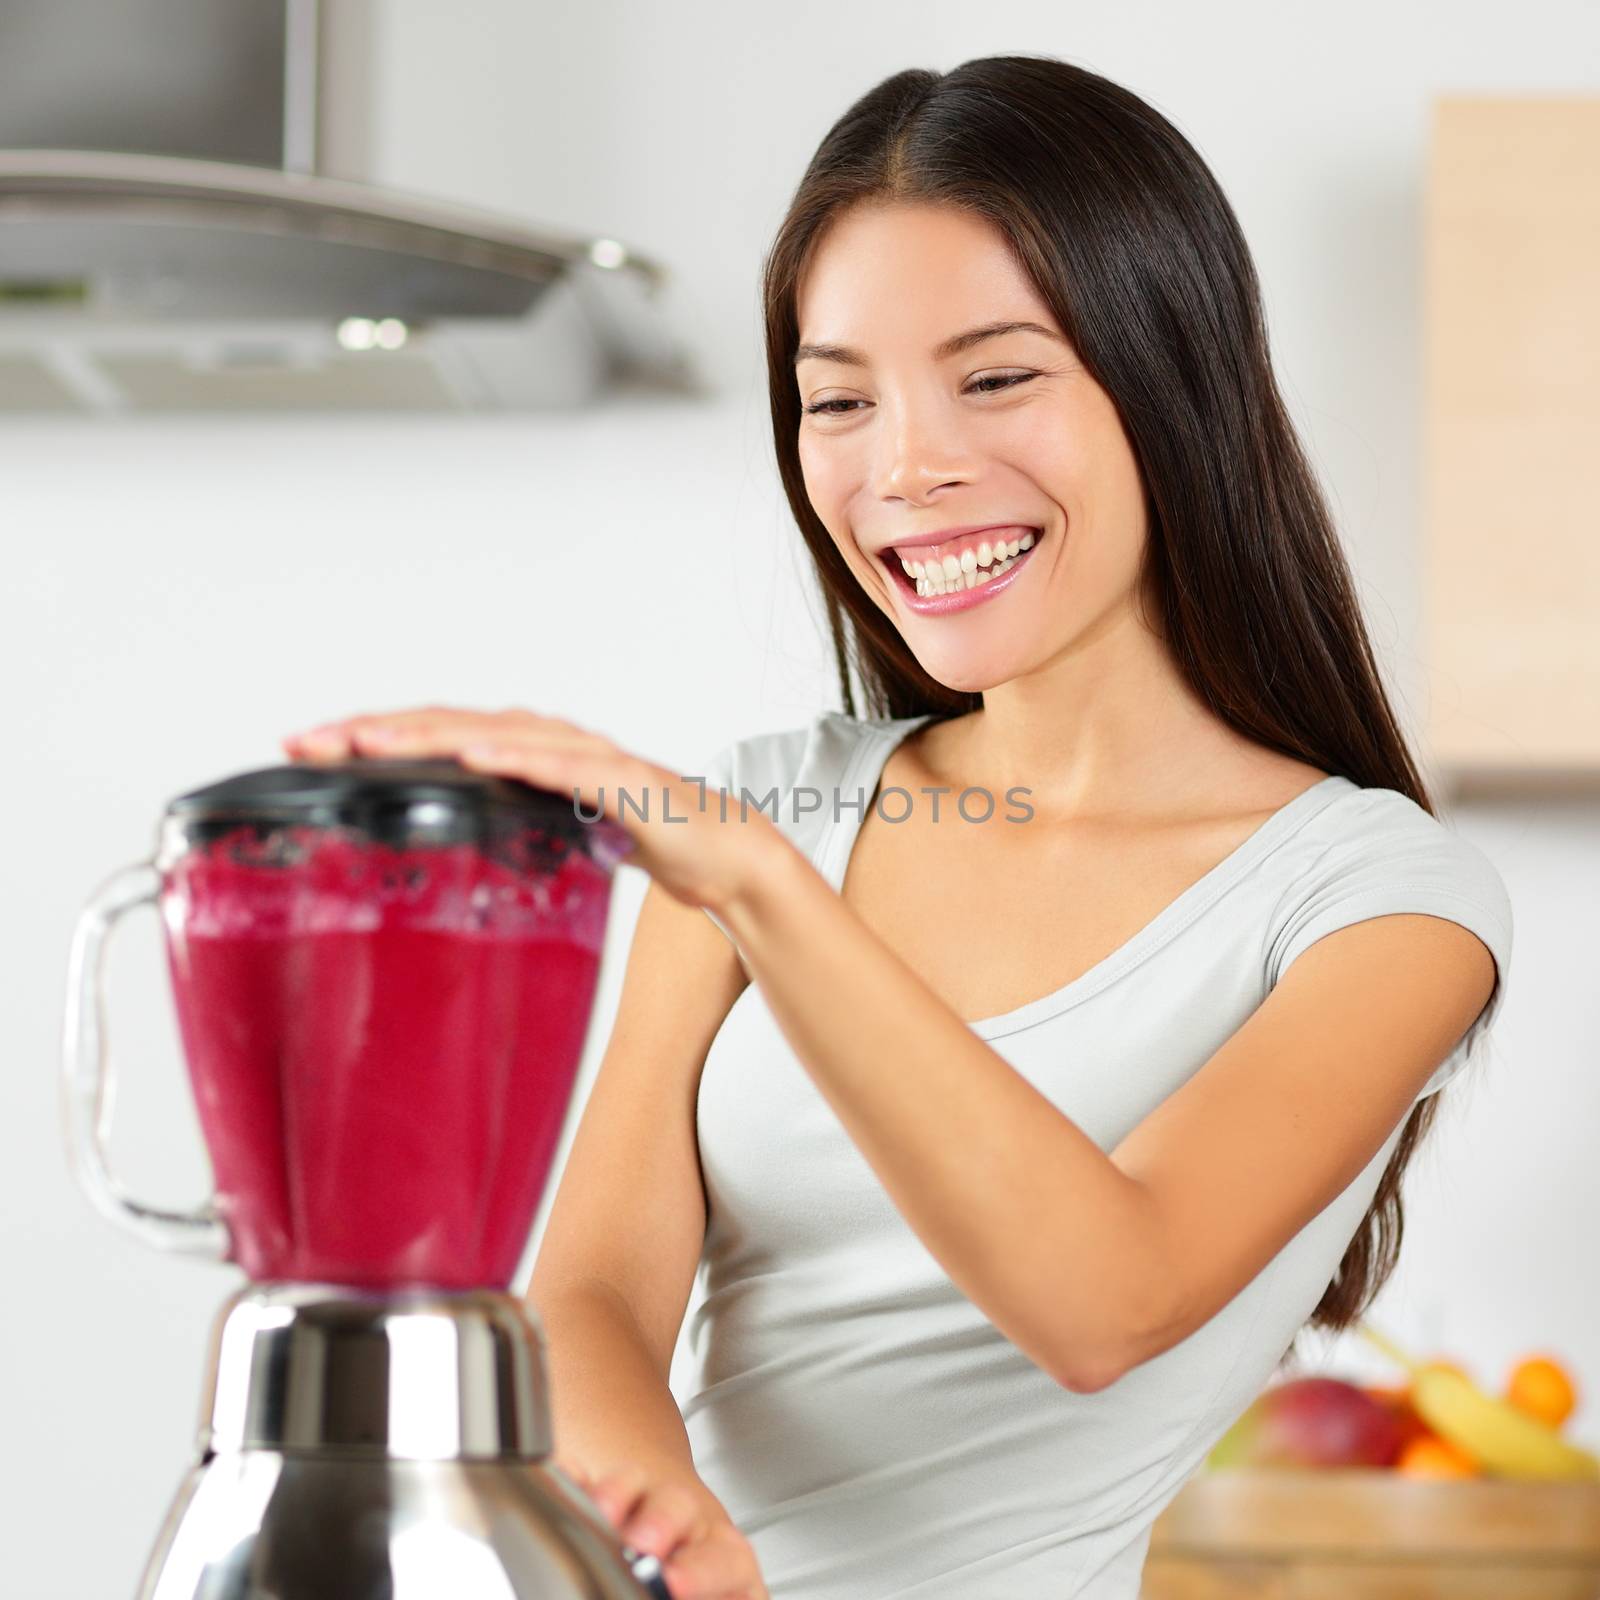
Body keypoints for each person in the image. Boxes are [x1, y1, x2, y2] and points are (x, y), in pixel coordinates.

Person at [282, 53, 1513, 1600]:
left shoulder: (1383, 905)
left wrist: (759, 884)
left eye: (997, 376)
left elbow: (1100, 1298)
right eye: (840, 399)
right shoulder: (783, 801)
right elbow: (590, 1288)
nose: (908, 468)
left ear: (1173, 379)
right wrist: (639, 1492)